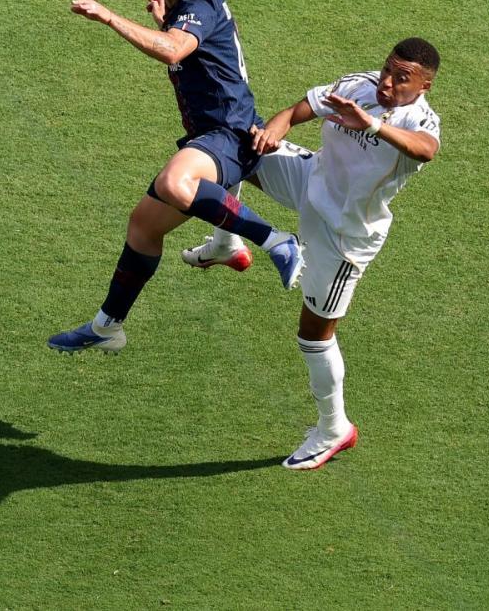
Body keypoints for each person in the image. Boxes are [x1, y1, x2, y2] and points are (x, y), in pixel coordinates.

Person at [182, 38, 442, 469]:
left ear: (424, 85)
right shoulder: (358, 85)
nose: (388, 82)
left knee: (313, 336)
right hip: (307, 178)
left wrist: (371, 125)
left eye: (402, 78)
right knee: (235, 144)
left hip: (343, 233)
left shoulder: (422, 120)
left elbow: (425, 151)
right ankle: (228, 243)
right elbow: (299, 109)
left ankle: (334, 428)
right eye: (388, 69)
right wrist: (275, 128)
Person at [47, 0, 303, 354]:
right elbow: (184, 47)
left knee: (174, 183)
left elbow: (175, 49)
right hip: (210, 134)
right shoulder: (183, 4)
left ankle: (278, 241)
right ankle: (108, 326)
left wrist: (109, 17)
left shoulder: (200, 2)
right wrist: (165, 23)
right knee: (143, 227)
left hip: (231, 134)